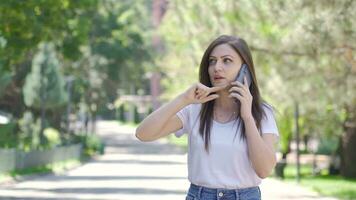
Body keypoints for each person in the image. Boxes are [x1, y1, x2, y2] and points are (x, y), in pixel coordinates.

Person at [136, 35, 279, 200]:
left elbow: (264, 170)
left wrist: (247, 117)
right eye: (212, 61)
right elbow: (143, 133)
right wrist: (183, 99)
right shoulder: (194, 109)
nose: (217, 67)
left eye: (226, 61)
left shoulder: (262, 112)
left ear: (244, 69)